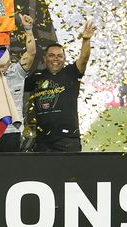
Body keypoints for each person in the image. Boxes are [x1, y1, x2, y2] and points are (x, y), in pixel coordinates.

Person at [25, 20, 94, 152]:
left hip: (67, 139)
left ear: (64, 59)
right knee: (45, 173)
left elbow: (83, 59)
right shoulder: (36, 77)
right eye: (51, 55)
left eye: (59, 56)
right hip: (42, 141)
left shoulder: (71, 73)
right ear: (45, 58)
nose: (56, 58)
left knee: (70, 173)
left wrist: (86, 40)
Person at [0, 15, 36, 152]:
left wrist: (28, 29)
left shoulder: (17, 72)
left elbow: (31, 52)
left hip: (11, 131)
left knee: (10, 171)